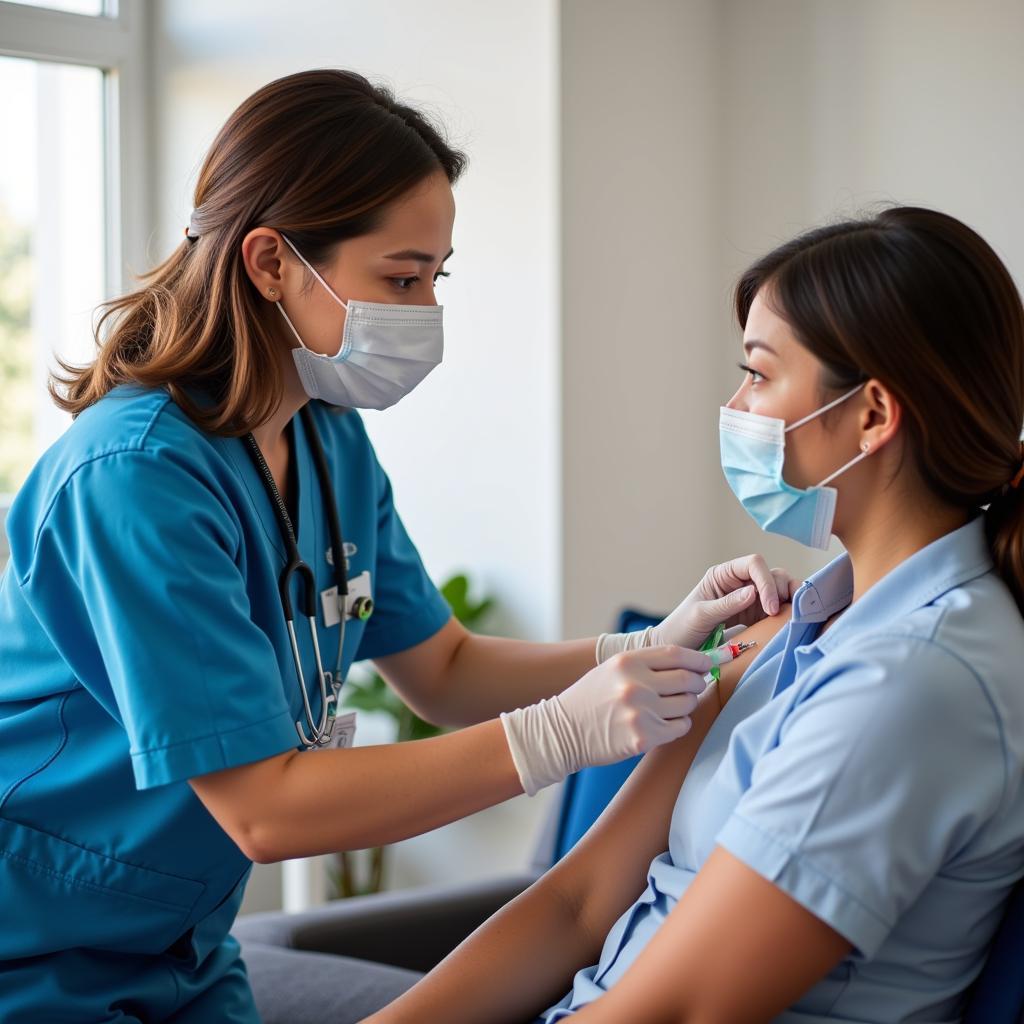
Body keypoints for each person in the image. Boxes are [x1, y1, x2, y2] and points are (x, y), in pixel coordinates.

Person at [0, 69, 792, 1023]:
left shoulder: (327, 438)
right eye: (400, 278)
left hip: (179, 949)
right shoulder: (132, 480)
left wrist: (643, 648)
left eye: (434, 278)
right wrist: (559, 735)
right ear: (270, 263)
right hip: (33, 941)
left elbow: (444, 668)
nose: (423, 312)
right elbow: (266, 810)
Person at [365, 206, 1024, 1024]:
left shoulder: (917, 681)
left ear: (872, 416)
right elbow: (578, 899)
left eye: (758, 372)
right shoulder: (797, 626)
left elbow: (682, 1009)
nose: (736, 404)